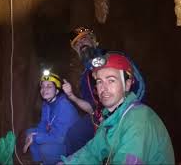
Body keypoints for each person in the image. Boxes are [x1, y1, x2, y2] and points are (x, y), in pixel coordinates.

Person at [61, 52, 175, 164]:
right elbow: (92, 152)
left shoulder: (138, 119)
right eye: (99, 81)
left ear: (128, 84)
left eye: (111, 80)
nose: (103, 88)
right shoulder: (111, 119)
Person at [62, 27, 145, 155]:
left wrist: (126, 112)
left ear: (95, 42)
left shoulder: (116, 58)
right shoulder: (85, 78)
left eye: (84, 39)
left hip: (126, 114)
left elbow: (140, 86)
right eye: (77, 44)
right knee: (74, 135)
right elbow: (91, 108)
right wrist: (71, 96)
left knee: (120, 148)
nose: (81, 44)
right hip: (100, 120)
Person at [23, 70, 79, 165]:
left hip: (70, 144)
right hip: (57, 135)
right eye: (42, 86)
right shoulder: (47, 103)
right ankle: (40, 162)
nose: (44, 89)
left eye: (49, 86)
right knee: (30, 132)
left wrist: (36, 137)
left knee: (45, 148)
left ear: (57, 90)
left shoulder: (64, 106)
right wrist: (34, 135)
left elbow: (59, 137)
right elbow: (44, 123)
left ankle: (52, 161)